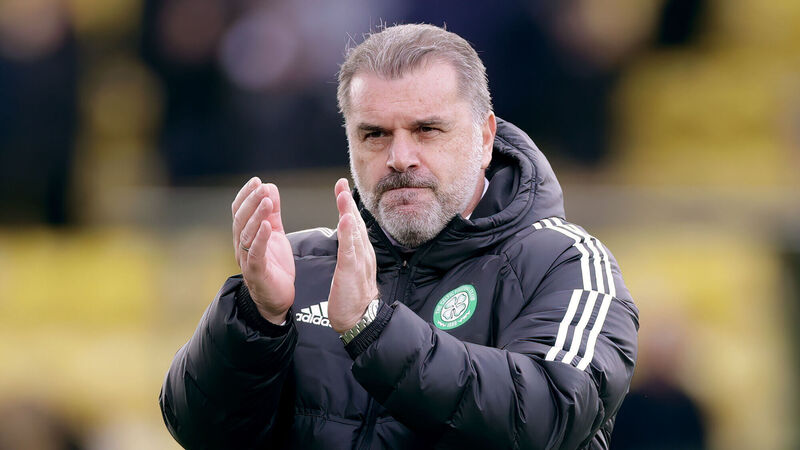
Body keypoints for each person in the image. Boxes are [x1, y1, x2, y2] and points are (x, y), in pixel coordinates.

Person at [159, 24, 639, 449]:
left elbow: (548, 414)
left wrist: (372, 331)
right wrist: (255, 320)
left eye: (427, 129)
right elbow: (197, 429)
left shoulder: (565, 262)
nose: (400, 157)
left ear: (485, 138)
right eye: (375, 134)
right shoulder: (296, 266)